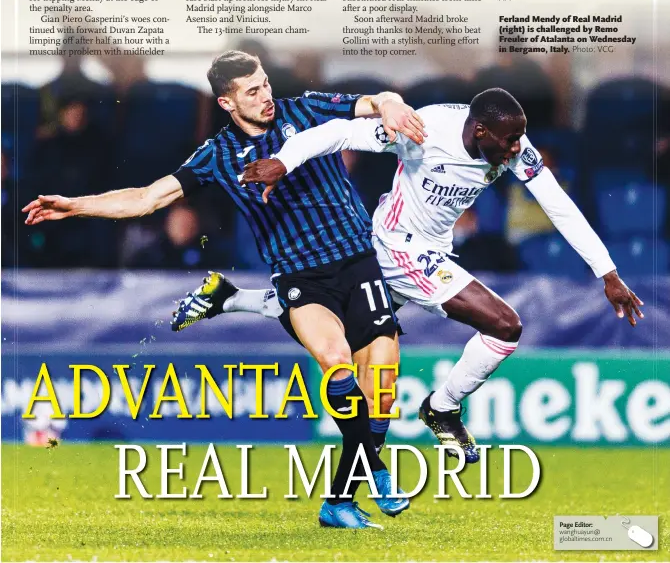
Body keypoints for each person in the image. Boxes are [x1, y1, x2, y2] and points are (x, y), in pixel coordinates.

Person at [22, 50, 428, 530]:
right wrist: (75, 206)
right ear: (226, 102)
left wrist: (392, 102)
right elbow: (147, 198)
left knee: (379, 389)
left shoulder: (306, 109)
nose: (266, 95)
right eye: (252, 91)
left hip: (359, 263)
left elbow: (374, 101)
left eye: (265, 84)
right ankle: (377, 470)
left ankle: (338, 502)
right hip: (300, 277)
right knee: (336, 362)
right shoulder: (216, 156)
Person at [180, 88, 644, 464]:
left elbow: (558, 204)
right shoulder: (423, 130)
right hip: (397, 244)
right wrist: (284, 161)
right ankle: (441, 408)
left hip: (430, 249)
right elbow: (338, 132)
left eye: (519, 137)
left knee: (324, 310)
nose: (516, 148)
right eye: (507, 139)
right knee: (505, 326)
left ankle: (230, 298)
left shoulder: (513, 148)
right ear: (480, 129)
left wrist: (607, 272)